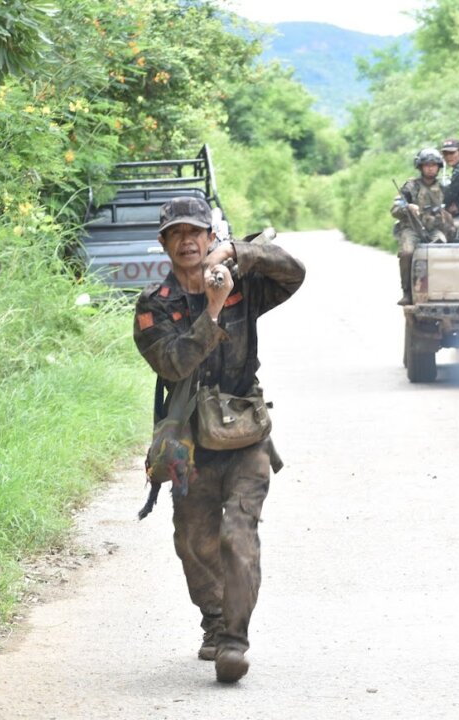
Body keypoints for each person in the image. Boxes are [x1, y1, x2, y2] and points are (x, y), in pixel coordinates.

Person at [133, 196, 305, 684]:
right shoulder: (154, 305)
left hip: (246, 431)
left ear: (209, 237)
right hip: (191, 443)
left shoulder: (242, 283)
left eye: (197, 233)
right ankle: (213, 621)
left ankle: (234, 639)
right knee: (194, 541)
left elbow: (294, 272)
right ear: (164, 243)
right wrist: (210, 308)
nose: (187, 241)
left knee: (237, 535)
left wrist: (238, 253)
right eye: (176, 234)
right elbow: (172, 364)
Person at [392, 147, 453, 305]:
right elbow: (395, 209)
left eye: (434, 164)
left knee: (442, 251)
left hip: (435, 229)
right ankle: (407, 291)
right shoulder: (410, 187)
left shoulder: (446, 187)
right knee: (406, 253)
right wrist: (408, 208)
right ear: (420, 167)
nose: (431, 168)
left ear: (439, 166)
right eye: (427, 164)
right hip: (412, 228)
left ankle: (442, 290)